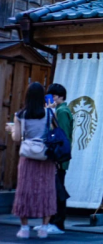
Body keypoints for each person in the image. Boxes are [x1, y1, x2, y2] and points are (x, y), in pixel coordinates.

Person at [5, 82, 57, 239]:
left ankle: (24, 228)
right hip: (45, 155)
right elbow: (55, 132)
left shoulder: (20, 115)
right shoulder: (49, 113)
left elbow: (16, 138)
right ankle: (44, 228)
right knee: (47, 190)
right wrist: (52, 109)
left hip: (27, 157)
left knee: (25, 190)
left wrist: (11, 129)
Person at [43, 84, 72, 234]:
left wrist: (58, 157)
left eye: (53, 96)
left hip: (59, 156)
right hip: (59, 155)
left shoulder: (62, 111)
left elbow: (62, 136)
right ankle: (53, 222)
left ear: (61, 97)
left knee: (58, 190)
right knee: (55, 189)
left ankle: (58, 223)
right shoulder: (59, 110)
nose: (51, 99)